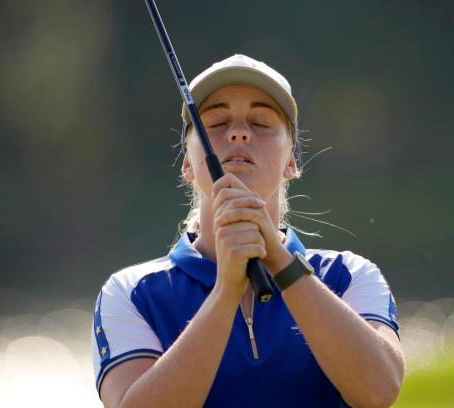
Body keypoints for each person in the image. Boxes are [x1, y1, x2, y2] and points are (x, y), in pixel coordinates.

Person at [92, 54, 404, 408]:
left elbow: (379, 391)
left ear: (291, 161)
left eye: (260, 121)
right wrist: (226, 291)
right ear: (187, 163)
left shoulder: (349, 276)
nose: (239, 132)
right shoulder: (131, 292)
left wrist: (280, 261)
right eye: (217, 121)